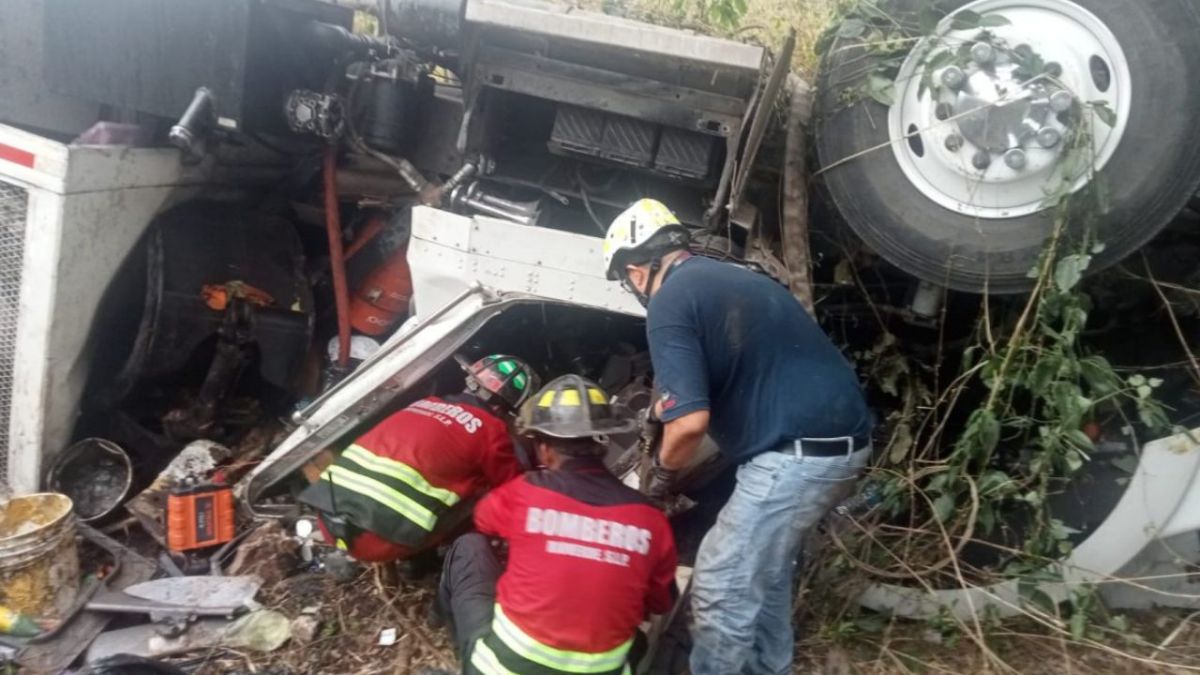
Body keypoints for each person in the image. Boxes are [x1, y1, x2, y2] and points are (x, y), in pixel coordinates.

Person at [603, 199, 874, 675]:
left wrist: (660, 479)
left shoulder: (669, 302)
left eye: (628, 281)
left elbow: (688, 425)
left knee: (721, 584)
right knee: (763, 573)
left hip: (797, 457)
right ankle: (770, 668)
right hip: (840, 445)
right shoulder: (734, 277)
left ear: (637, 271)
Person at [437, 374, 678, 675]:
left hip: (500, 669)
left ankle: (462, 653)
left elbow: (484, 522)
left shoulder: (522, 493)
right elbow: (661, 602)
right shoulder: (650, 520)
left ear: (543, 447)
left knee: (468, 545)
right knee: (636, 640)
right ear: (602, 443)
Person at [299, 354, 539, 563]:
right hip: (377, 543)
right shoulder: (492, 430)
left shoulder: (424, 403)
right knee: (485, 490)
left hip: (328, 518)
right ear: (504, 409)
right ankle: (429, 558)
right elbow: (513, 489)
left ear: (469, 382)